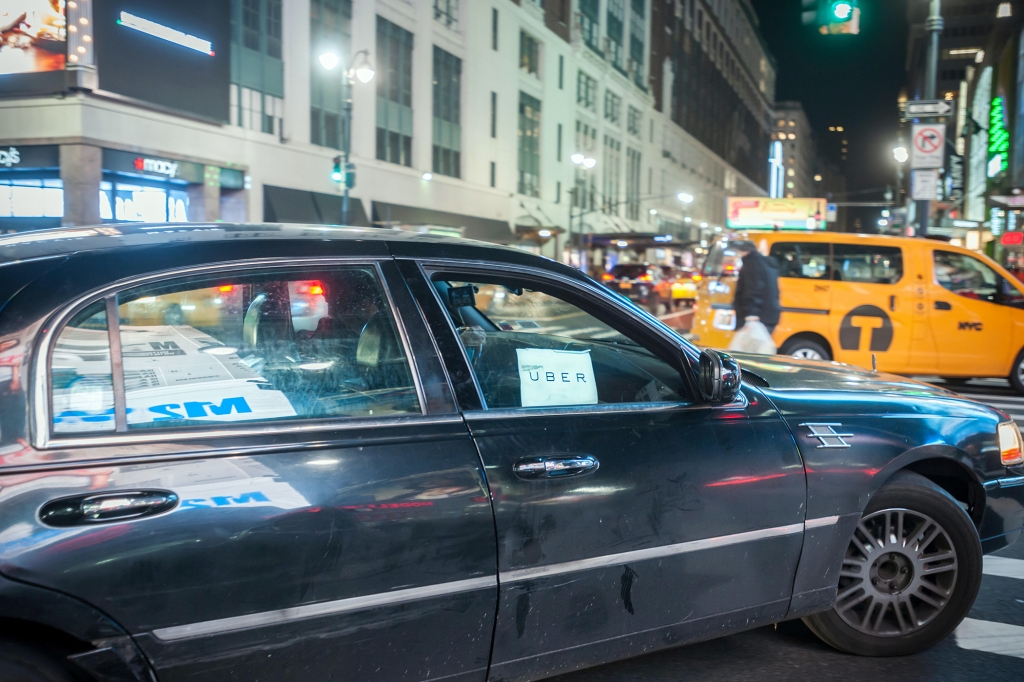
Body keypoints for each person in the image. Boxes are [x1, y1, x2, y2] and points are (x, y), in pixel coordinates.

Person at [732, 240, 780, 334]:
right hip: (769, 315)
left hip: (756, 317)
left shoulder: (752, 263)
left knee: (749, 346)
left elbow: (753, 289)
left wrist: (752, 314)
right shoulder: (767, 263)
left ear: (745, 252)